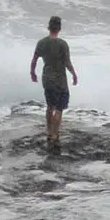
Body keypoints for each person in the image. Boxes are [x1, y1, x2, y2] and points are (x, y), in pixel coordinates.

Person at [29, 15, 78, 148]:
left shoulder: (41, 42)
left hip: (47, 78)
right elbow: (67, 63)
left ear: (49, 27)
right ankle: (55, 134)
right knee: (59, 108)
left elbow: (34, 60)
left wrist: (32, 73)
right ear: (59, 28)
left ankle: (49, 132)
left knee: (50, 106)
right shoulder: (62, 44)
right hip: (60, 80)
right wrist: (74, 74)